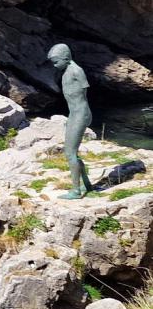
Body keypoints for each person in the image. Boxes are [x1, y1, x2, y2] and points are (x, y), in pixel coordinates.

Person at [48, 43, 93, 199]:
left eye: (56, 62)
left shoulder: (76, 71)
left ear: (66, 58)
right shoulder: (67, 70)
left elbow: (84, 94)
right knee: (71, 150)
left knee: (70, 153)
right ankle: (86, 184)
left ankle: (76, 191)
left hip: (80, 114)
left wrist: (84, 116)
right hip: (74, 114)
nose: (54, 66)